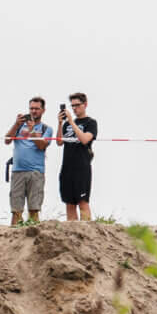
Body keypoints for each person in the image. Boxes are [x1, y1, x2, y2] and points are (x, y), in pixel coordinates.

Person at [3, 97, 53, 224]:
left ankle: (34, 238)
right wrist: (16, 124)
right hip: (18, 171)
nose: (33, 111)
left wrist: (32, 131)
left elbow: (42, 146)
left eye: (37, 109)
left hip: (36, 172)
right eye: (31, 108)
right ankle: (14, 238)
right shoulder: (20, 126)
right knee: (16, 210)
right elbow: (7, 140)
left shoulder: (46, 129)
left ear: (43, 110)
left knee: (34, 209)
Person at [56, 93, 99, 221]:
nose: (74, 108)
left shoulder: (91, 122)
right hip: (67, 167)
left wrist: (71, 122)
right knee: (69, 203)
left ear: (85, 105)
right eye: (72, 106)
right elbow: (59, 142)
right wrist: (60, 123)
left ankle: (86, 231)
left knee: (82, 202)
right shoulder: (67, 124)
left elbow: (85, 139)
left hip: (82, 167)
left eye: (77, 105)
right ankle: (72, 232)